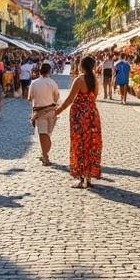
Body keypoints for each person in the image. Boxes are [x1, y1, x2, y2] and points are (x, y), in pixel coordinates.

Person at [55, 56, 102, 189]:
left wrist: (58, 111)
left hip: (79, 116)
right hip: (92, 114)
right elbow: (94, 97)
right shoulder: (95, 80)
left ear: (81, 66)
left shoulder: (79, 80)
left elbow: (70, 99)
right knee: (92, 144)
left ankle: (81, 180)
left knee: (79, 144)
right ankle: (89, 178)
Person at [27, 62, 61, 166]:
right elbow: (57, 96)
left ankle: (45, 155)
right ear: (49, 71)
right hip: (51, 111)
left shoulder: (34, 83)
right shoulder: (52, 83)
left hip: (39, 111)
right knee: (47, 134)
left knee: (43, 135)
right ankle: (45, 155)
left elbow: (29, 98)